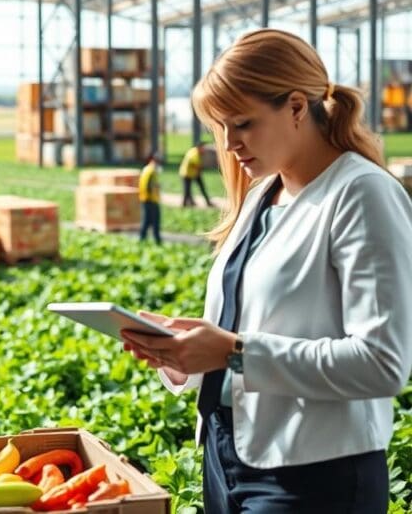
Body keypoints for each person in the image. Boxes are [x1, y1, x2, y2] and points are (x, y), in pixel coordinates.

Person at [121, 28, 412, 513]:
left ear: (297, 107)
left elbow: (382, 364)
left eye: (243, 124)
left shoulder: (361, 195)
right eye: (222, 128)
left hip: (314, 477)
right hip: (226, 455)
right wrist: (182, 354)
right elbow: (247, 332)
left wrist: (233, 352)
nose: (230, 144)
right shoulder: (262, 196)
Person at [179, 141, 214, 207]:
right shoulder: (194, 154)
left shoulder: (195, 151)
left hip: (194, 173)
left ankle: (207, 202)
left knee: (202, 187)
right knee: (187, 190)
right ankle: (184, 204)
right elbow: (196, 166)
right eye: (203, 148)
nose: (205, 150)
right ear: (199, 148)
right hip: (186, 174)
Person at [138, 152, 162, 244]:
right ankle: (157, 241)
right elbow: (147, 185)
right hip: (150, 200)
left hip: (146, 199)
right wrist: (150, 196)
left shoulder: (146, 169)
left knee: (147, 221)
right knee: (155, 222)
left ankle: (142, 239)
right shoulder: (151, 171)